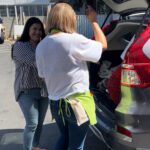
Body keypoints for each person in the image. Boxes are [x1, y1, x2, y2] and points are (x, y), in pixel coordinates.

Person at [36, 3, 107, 150]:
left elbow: (42, 75)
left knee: (65, 138)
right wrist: (93, 21)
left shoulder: (41, 46)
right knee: (76, 146)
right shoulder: (73, 40)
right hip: (76, 104)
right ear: (70, 19)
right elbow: (103, 45)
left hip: (56, 104)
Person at [12, 17, 48, 150]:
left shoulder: (42, 46)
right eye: (34, 29)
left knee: (39, 124)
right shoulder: (19, 46)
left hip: (43, 91)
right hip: (26, 92)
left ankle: (35, 146)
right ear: (28, 29)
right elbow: (36, 63)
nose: (37, 32)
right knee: (32, 123)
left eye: (40, 30)